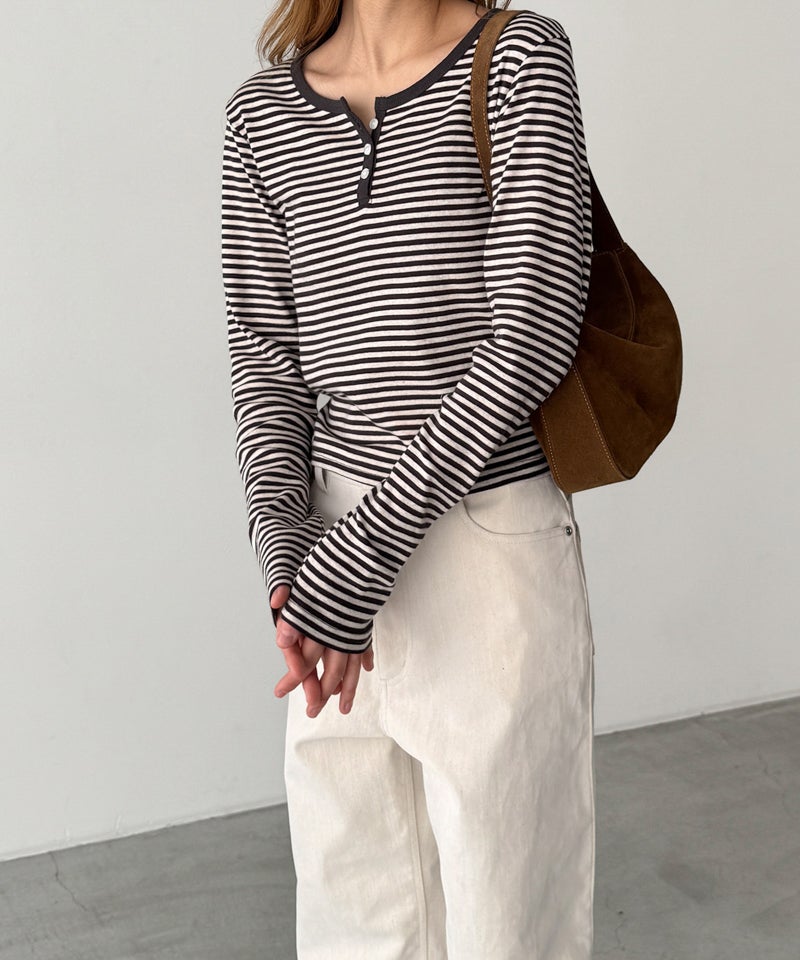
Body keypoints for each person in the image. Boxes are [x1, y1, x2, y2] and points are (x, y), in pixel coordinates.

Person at [220, 0, 596, 956]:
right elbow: (267, 367)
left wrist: (354, 566)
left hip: (486, 546)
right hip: (328, 558)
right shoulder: (262, 111)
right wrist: (287, 566)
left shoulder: (518, 59)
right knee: (354, 915)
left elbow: (530, 334)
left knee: (507, 919)